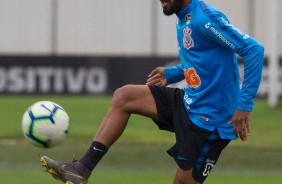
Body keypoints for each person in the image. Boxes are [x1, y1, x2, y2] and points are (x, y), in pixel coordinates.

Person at [40, 0, 264, 183]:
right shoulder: (184, 18)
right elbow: (203, 62)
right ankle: (81, 168)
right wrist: (172, 74)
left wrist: (244, 105)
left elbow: (254, 50)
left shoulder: (206, 19)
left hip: (210, 121)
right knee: (124, 96)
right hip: (190, 102)